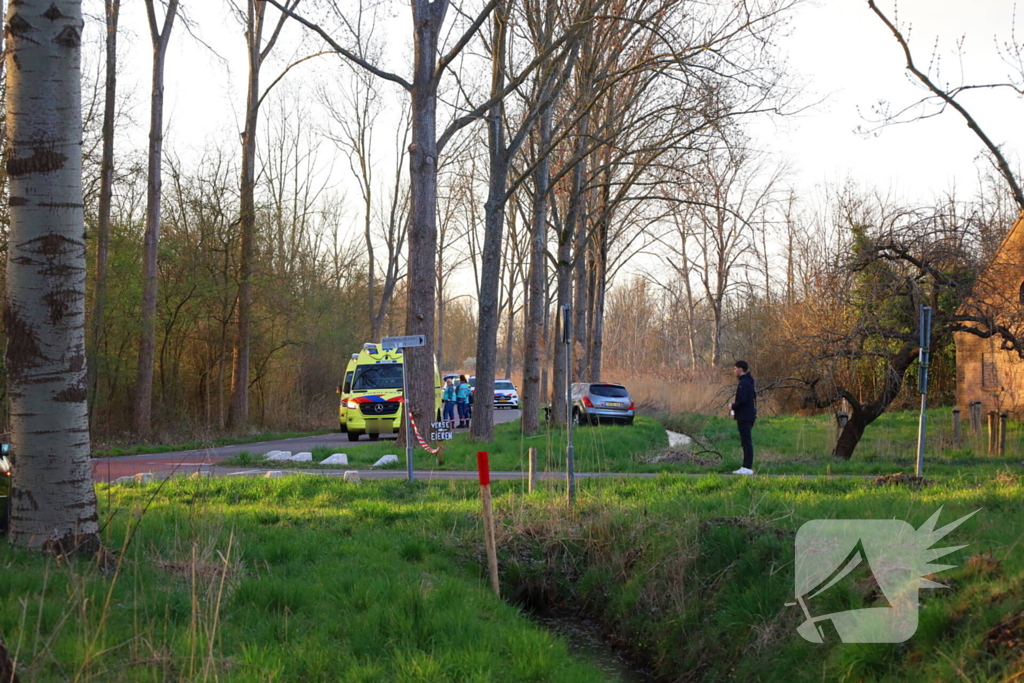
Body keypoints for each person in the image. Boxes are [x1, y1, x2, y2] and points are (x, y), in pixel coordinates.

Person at [730, 360, 756, 475]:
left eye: (735, 369)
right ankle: (746, 466)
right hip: (749, 416)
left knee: (746, 442)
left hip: (744, 416)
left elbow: (742, 400)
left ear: (741, 369)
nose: (734, 371)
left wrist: (732, 406)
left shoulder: (743, 383)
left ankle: (747, 467)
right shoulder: (749, 381)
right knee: (746, 442)